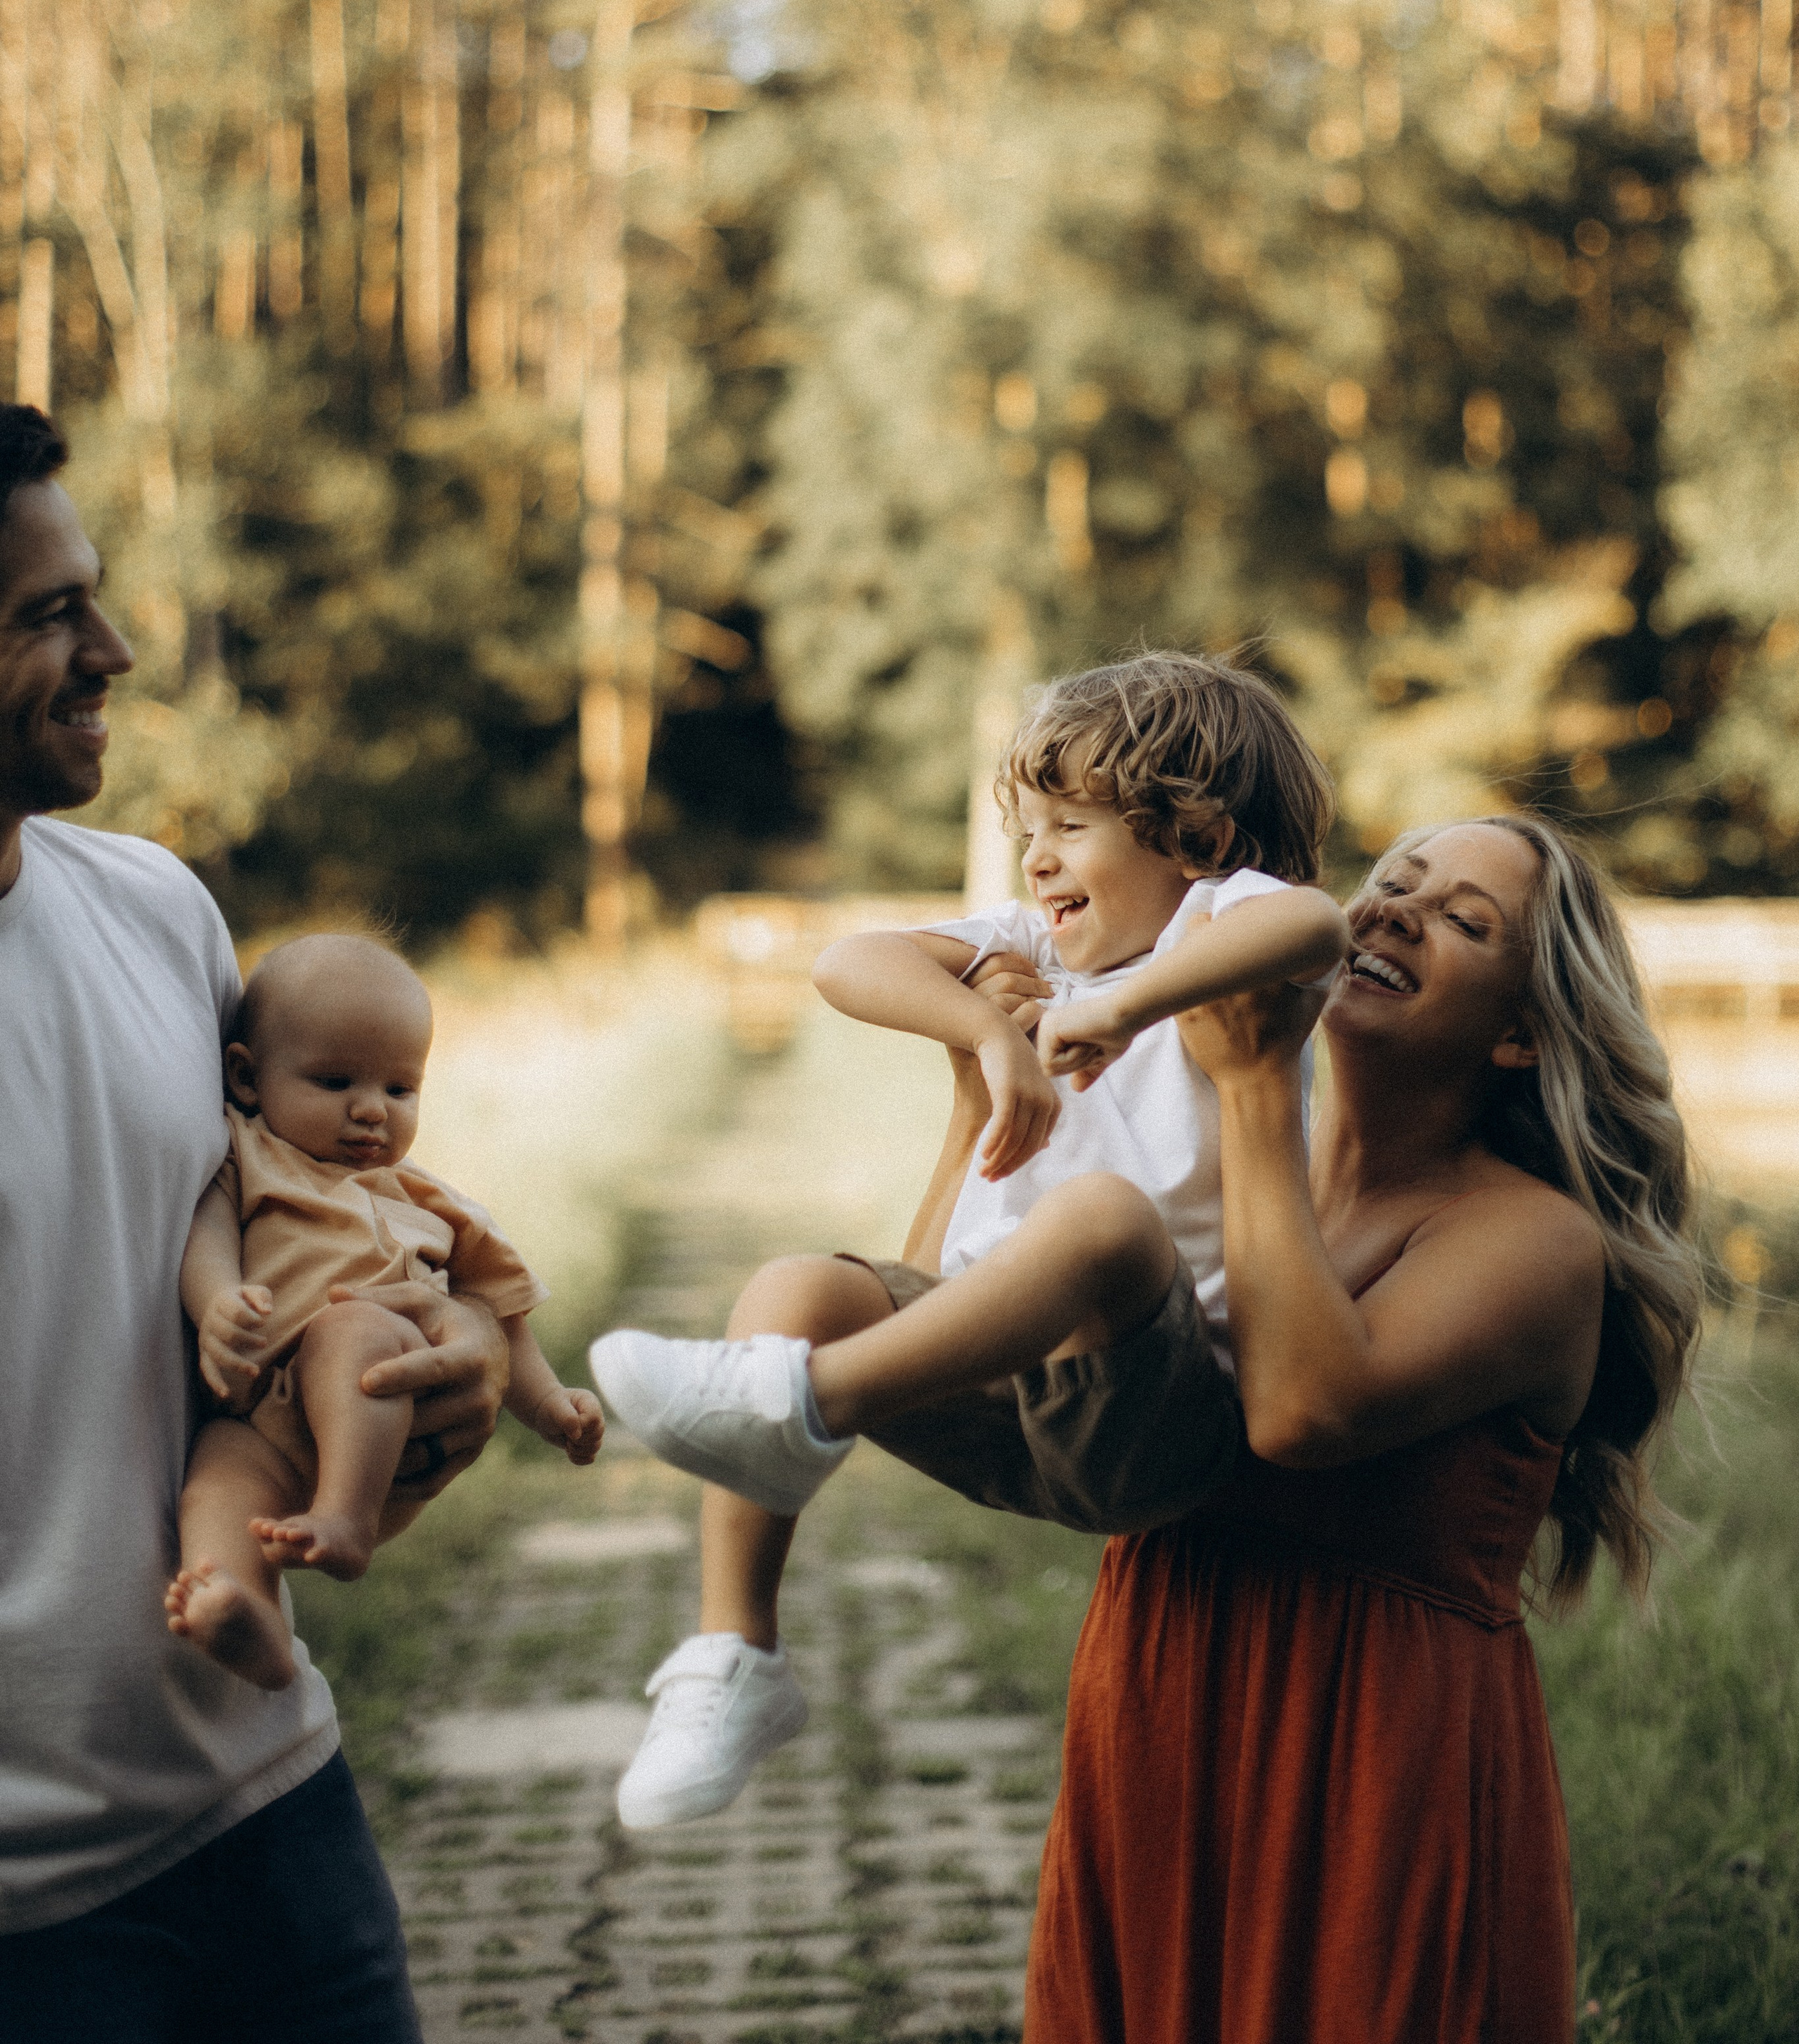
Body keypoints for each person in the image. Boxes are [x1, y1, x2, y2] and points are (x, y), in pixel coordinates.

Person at [590, 652, 1349, 1828]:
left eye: (1072, 827)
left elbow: (1312, 921)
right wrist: (988, 1039)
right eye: (1029, 829)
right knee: (796, 1287)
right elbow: (847, 962)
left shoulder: (1220, 927)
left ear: (1198, 840)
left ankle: (798, 1408)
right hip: (1001, 1395)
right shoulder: (1034, 946)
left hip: (1160, 1411)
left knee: (1098, 1216)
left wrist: (1121, 1007)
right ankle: (736, 1656)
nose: (1037, 858)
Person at [1025, 814, 1704, 2044]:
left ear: (1520, 1033)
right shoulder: (1218, 1175)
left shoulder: (1540, 1245)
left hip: (1370, 1770)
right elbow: (989, 1345)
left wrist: (1251, 1083)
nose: (1394, 911)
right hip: (1158, 1706)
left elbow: (1304, 1408)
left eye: (1463, 921)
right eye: (1394, 883)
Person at [0, 403, 508, 2042]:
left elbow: (310, 1222)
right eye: (48, 614)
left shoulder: (158, 913)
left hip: (266, 1797)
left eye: (94, 598)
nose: (114, 651)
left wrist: (454, 1347)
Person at [168, 932, 604, 1690]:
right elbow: (205, 1235)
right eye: (336, 1081)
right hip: (264, 1422)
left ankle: (344, 1519)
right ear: (246, 1077)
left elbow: (502, 1314)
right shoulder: (246, 1155)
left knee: (353, 1325)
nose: (372, 1111)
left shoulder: (427, 1199)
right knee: (216, 1481)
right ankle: (243, 1611)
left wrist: (548, 1405)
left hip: (375, 1432)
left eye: (400, 1090)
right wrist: (218, 1305)